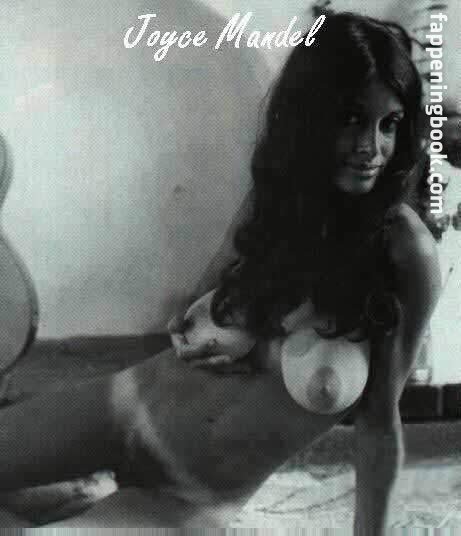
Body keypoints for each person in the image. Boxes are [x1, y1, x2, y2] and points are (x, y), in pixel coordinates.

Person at [0, 12, 441, 533]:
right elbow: (188, 316)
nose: (372, 147)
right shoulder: (277, 201)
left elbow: (379, 426)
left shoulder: (405, 253)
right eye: (351, 118)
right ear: (310, 116)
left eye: (389, 124)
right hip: (124, 406)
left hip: (188, 495)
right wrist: (204, 330)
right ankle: (68, 495)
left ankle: (63, 505)